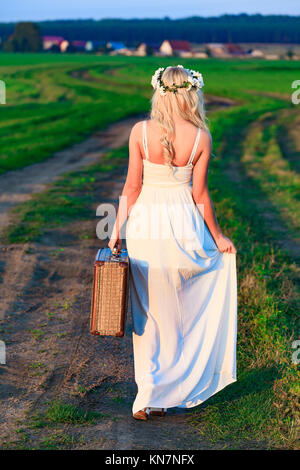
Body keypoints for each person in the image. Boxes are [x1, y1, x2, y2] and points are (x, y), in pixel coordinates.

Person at [108, 65, 237, 421]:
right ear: (192, 93)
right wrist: (218, 236)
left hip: (147, 230)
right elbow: (200, 196)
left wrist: (117, 227)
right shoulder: (201, 137)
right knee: (180, 315)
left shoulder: (140, 132)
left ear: (158, 93)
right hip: (185, 231)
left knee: (147, 313)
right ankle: (167, 393)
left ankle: (147, 395)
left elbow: (131, 188)